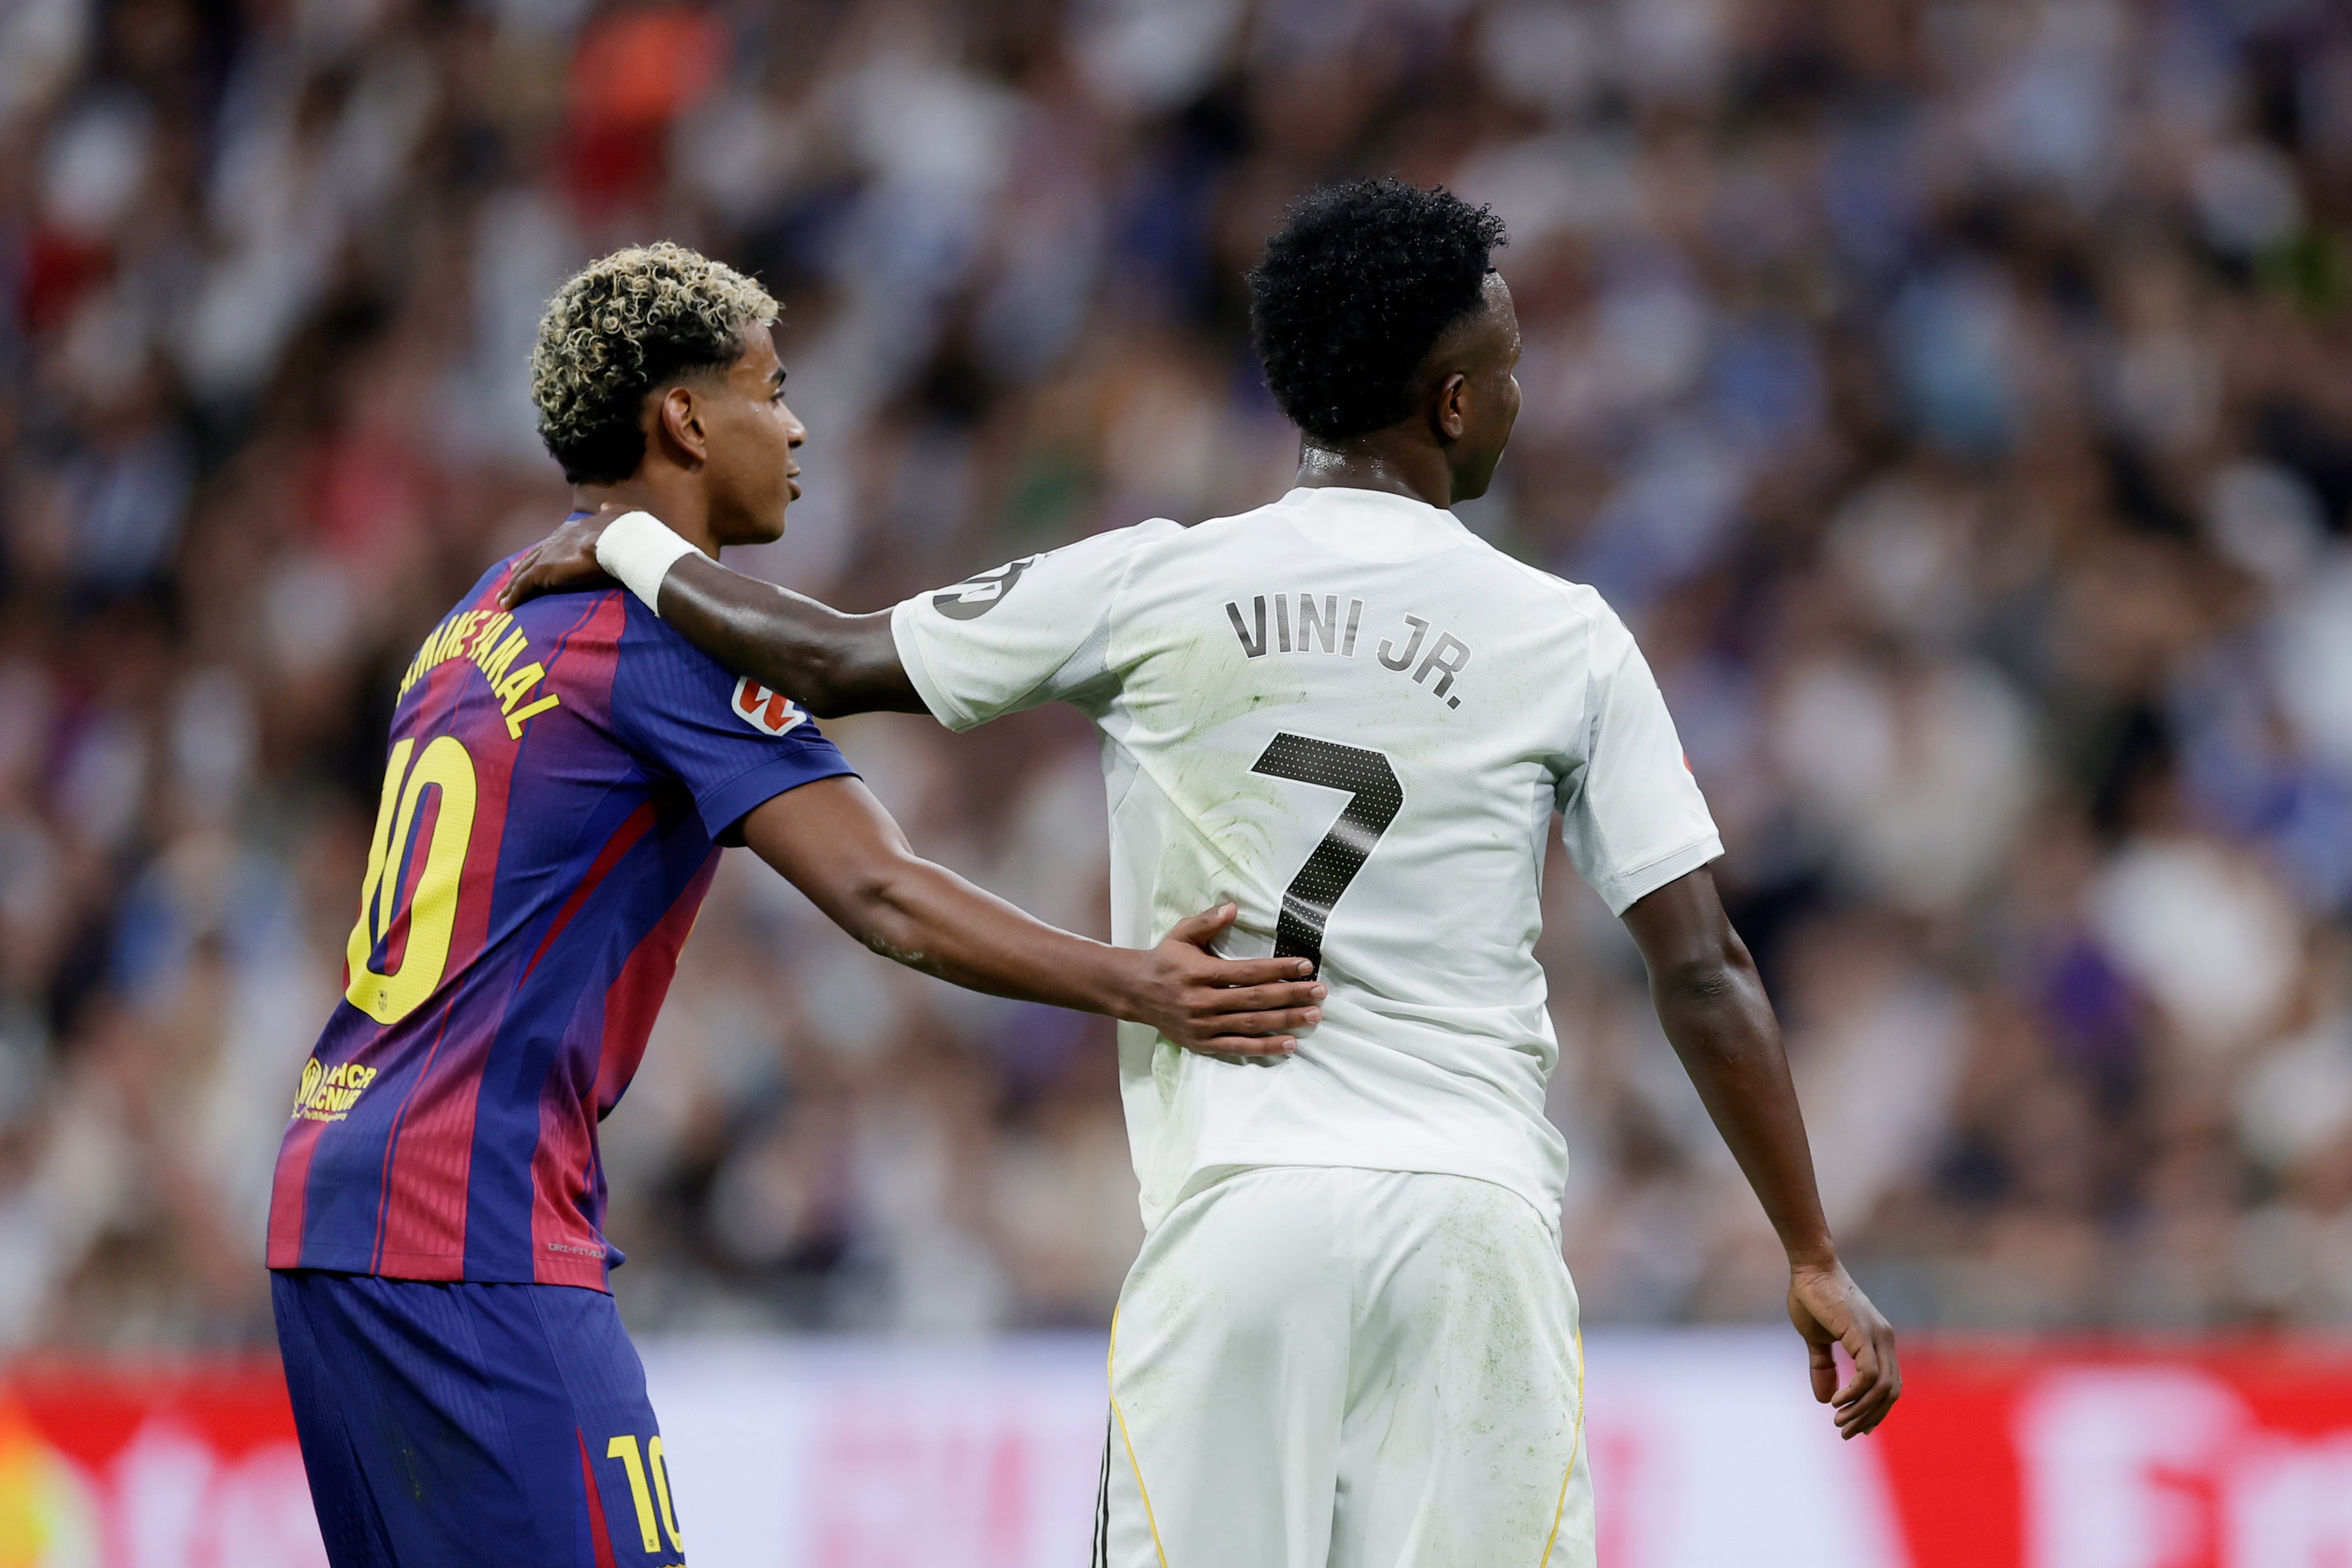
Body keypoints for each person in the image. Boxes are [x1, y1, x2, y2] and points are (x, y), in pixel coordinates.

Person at [508, 183, 1901, 1567]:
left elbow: (830, 658)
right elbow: (1702, 967)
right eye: (1508, 368)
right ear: (1455, 406)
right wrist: (1808, 1249)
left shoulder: (1157, 582)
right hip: (1471, 1232)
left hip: (1241, 1226)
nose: (1518, 394)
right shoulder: (1565, 638)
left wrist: (627, 537)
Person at [265, 242, 1324, 1568]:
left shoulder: (479, 614)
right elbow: (880, 889)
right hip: (464, 1224)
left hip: (329, 1197)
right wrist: (1137, 982)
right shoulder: (659, 637)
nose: (799, 423)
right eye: (771, 389)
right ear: (685, 419)